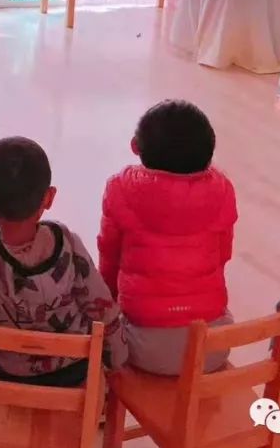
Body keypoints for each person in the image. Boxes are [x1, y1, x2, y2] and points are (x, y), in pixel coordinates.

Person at [0, 137, 127, 390]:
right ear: (49, 197)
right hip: (74, 370)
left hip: (9, 373)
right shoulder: (68, 244)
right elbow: (102, 309)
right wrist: (118, 363)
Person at [97, 100, 237, 375]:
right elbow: (223, 256)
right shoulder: (223, 190)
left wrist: (110, 309)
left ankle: (101, 409)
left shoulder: (120, 190)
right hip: (211, 346)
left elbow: (109, 259)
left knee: (99, 335)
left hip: (141, 346)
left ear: (135, 146)